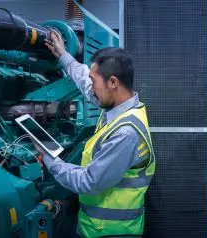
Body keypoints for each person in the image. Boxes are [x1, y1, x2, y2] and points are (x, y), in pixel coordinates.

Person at [37, 31, 155, 238]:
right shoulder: (117, 106)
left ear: (113, 82)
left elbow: (89, 182)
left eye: (95, 81)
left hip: (111, 232)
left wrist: (50, 160)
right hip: (94, 227)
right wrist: (63, 55)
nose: (91, 87)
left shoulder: (125, 133)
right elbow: (84, 80)